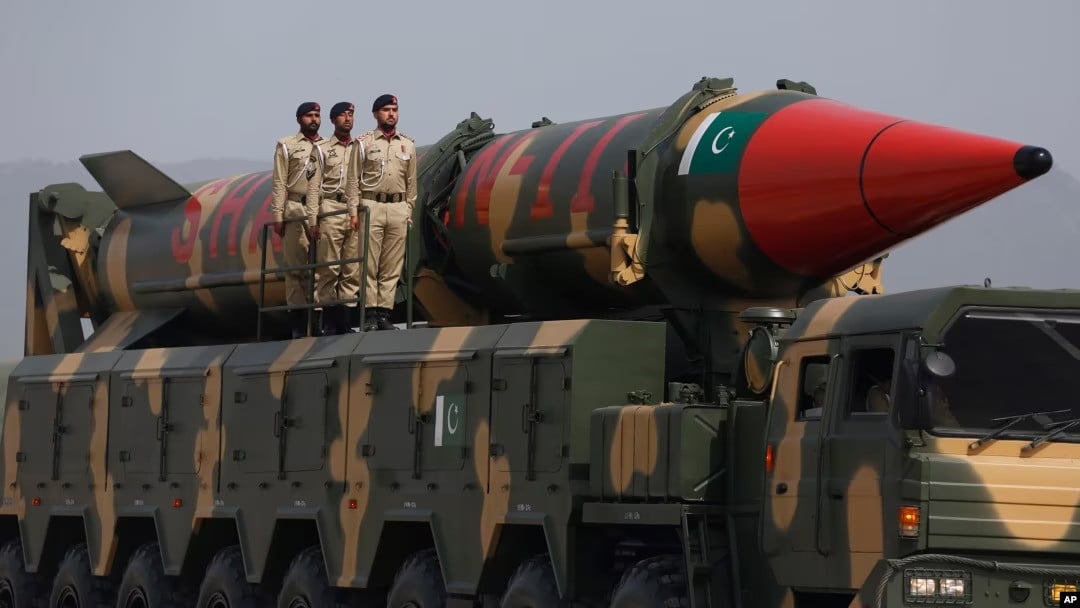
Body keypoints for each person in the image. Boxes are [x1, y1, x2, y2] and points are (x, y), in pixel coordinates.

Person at [344, 94, 417, 331]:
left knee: (392, 264)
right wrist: (353, 211)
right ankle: (370, 314)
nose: (391, 114)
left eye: (394, 109)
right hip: (371, 205)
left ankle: (384, 313)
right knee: (369, 263)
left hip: (397, 207)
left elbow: (411, 182)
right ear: (376, 114)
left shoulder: (407, 144)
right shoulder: (363, 143)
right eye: (386, 110)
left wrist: (408, 207)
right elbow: (353, 180)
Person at [270, 102, 323, 338]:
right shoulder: (287, 145)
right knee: (296, 269)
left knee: (321, 269)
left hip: (322, 210)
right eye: (309, 116)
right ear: (300, 119)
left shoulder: (327, 146)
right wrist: (278, 215)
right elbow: (280, 182)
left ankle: (319, 322)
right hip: (295, 207)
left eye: (317, 115)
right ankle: (299, 324)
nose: (314, 119)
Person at [307, 101, 360, 335]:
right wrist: (313, 219)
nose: (347, 119)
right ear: (333, 120)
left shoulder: (361, 147)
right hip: (330, 206)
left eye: (350, 114)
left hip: (353, 209)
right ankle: (329, 320)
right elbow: (312, 187)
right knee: (329, 267)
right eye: (342, 115)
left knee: (351, 269)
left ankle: (345, 321)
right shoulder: (321, 149)